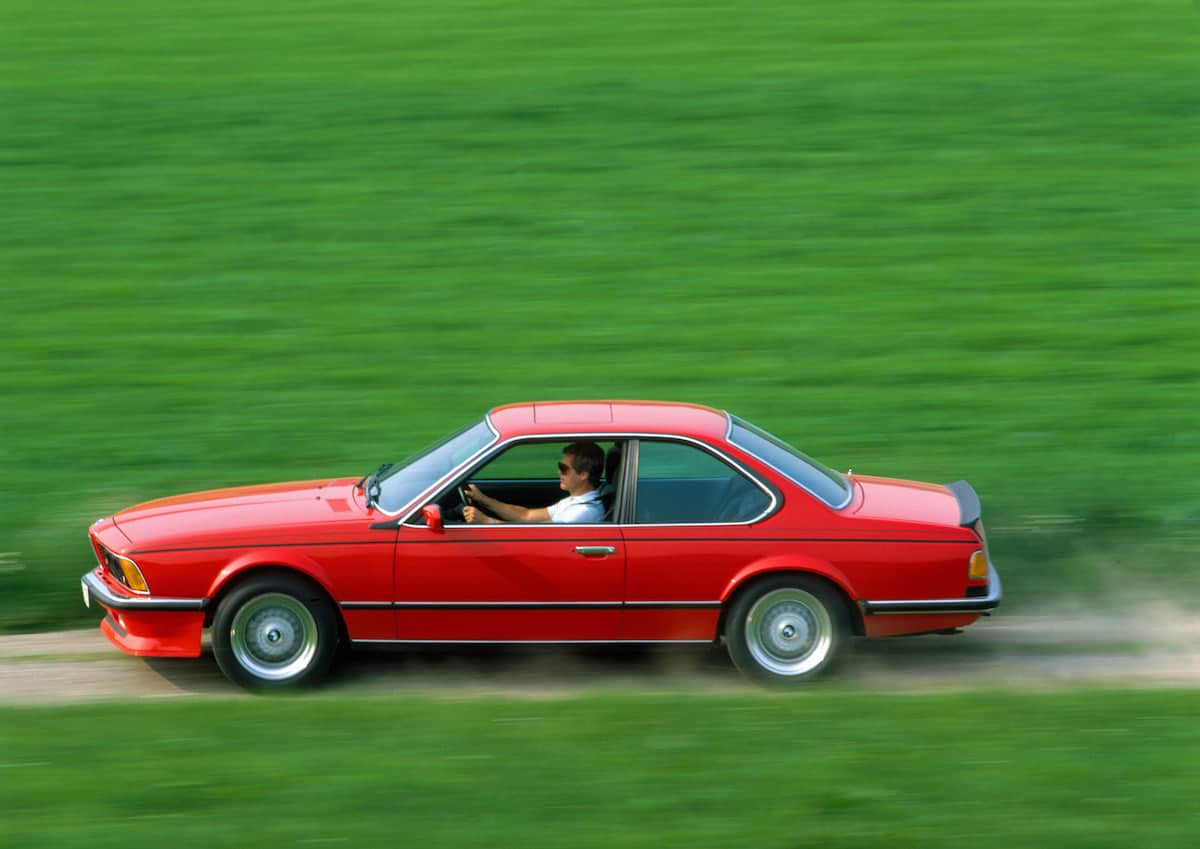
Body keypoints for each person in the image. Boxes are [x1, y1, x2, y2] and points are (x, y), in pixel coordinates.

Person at [464, 441, 605, 524]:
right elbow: (525, 515)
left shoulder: (582, 512)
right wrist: (482, 499)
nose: (558, 472)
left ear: (583, 475)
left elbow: (534, 535)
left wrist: (486, 522)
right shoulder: (573, 501)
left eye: (564, 469)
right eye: (559, 467)